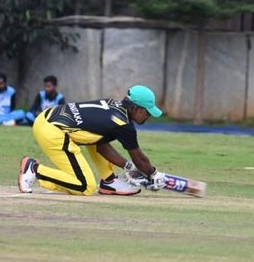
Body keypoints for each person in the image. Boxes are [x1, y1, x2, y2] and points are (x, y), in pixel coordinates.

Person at [17, 84, 169, 197]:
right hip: (53, 131)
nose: (148, 117)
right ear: (136, 108)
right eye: (147, 112)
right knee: (85, 186)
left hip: (47, 117)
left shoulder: (112, 104)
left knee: (95, 138)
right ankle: (35, 169)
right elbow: (140, 159)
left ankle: (109, 182)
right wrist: (153, 174)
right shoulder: (123, 124)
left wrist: (128, 168)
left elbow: (101, 145)